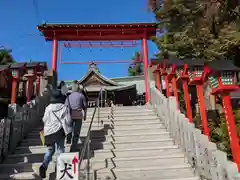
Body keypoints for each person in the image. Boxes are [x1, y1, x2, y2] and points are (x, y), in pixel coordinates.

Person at [39, 89, 72, 178]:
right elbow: (68, 121)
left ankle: (44, 165)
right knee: (60, 150)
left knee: (50, 150)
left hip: (49, 132)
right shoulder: (64, 107)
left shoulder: (48, 107)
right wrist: (69, 131)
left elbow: (44, 120)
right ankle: (59, 170)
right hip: (59, 131)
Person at [65, 82, 87, 152]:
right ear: (78, 88)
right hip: (78, 115)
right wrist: (85, 115)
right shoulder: (81, 96)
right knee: (76, 133)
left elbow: (65, 106)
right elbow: (85, 106)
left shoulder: (68, 96)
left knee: (69, 128)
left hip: (70, 115)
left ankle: (68, 137)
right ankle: (73, 148)